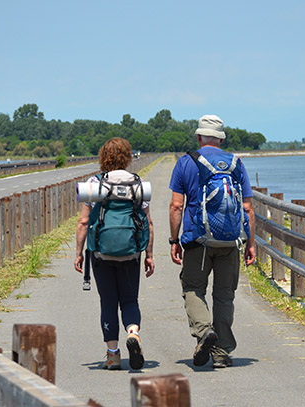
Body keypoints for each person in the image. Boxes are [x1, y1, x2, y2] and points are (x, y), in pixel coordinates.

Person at [168, 114, 255, 368]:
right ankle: (221, 352)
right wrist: (250, 243)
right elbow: (248, 208)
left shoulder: (186, 162)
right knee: (225, 294)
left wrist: (174, 240)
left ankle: (205, 331)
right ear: (220, 138)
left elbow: (176, 206)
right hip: (230, 240)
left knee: (193, 288)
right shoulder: (236, 163)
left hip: (197, 240)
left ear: (198, 137)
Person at [74, 137, 155, 370]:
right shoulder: (139, 185)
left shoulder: (93, 184)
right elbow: (148, 224)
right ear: (127, 157)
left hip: (101, 254)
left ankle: (113, 355)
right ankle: (133, 333)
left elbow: (83, 221)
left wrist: (79, 253)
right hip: (131, 253)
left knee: (108, 302)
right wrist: (148, 255)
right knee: (130, 300)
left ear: (103, 156)